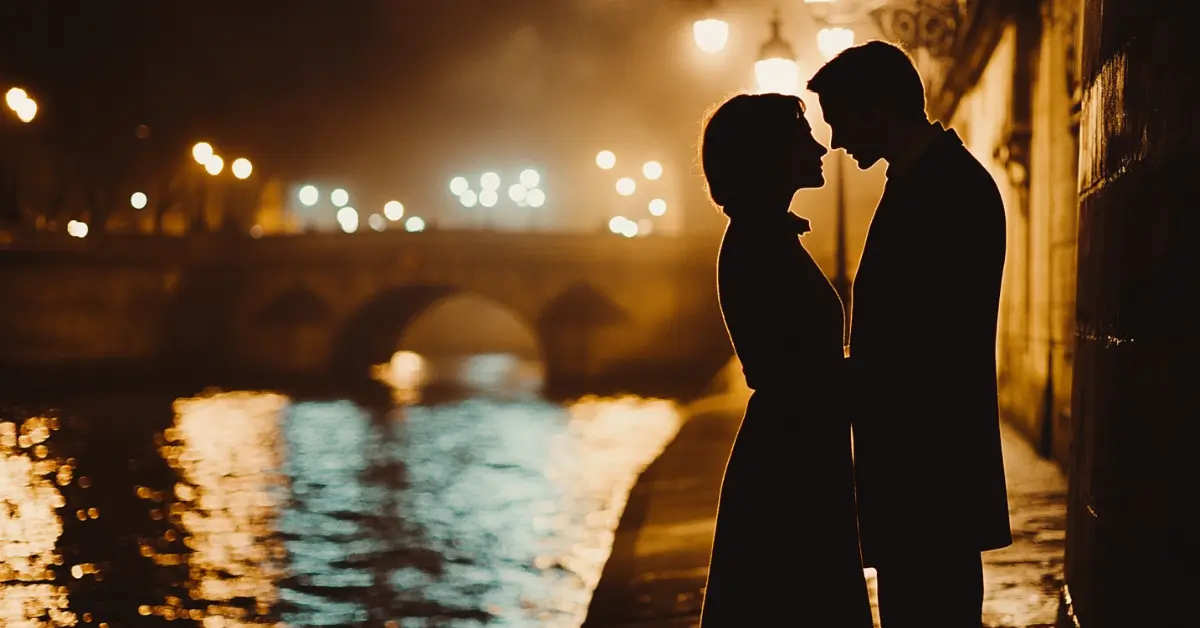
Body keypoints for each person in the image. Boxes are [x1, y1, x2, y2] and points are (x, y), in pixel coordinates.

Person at [808, 40, 1012, 626]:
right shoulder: (933, 180)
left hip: (928, 469)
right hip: (925, 467)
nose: (838, 142)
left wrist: (839, 377)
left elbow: (926, 346)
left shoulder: (947, 191)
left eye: (842, 122)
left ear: (878, 109)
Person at [697, 92, 873, 627]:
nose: (820, 146)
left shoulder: (759, 234)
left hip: (793, 448)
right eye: (802, 138)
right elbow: (800, 375)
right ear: (769, 154)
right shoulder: (759, 241)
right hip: (793, 462)